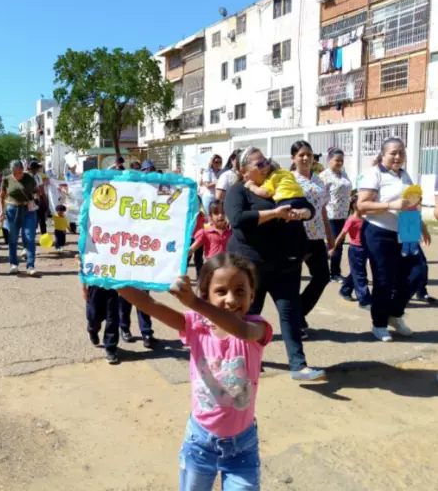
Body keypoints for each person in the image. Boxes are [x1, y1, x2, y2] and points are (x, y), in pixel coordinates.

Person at [119, 253, 271, 490]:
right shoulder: (195, 326)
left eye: (240, 291)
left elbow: (243, 331)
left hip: (243, 446)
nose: (231, 300)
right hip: (200, 443)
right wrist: (107, 276)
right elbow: (149, 304)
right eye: (221, 291)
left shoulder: (258, 328)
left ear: (252, 295)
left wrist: (195, 304)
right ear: (206, 295)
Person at [224, 147, 324, 381]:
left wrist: (302, 214)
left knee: (290, 313)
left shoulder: (279, 180)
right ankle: (247, 361)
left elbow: (306, 206)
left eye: (266, 161)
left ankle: (299, 366)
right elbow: (238, 220)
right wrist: (275, 214)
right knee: (250, 315)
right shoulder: (238, 191)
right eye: (258, 164)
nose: (265, 166)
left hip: (285, 262)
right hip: (251, 265)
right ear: (244, 171)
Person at [357, 137, 431, 342]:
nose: (398, 157)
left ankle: (395, 314)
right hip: (380, 232)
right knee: (384, 281)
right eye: (393, 153)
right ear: (383, 154)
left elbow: (411, 203)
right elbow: (361, 206)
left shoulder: (404, 174)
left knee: (417, 274)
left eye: (401, 152)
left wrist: (422, 227)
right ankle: (379, 324)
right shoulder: (374, 174)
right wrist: (390, 205)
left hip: (407, 230)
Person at [291, 141, 335, 337]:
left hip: (316, 236)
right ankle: (295, 322)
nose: (306, 158)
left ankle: (297, 313)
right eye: (301, 155)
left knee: (322, 276)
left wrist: (329, 234)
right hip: (296, 235)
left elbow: (323, 208)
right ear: (293, 158)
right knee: (293, 281)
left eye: (308, 154)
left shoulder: (319, 180)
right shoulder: (288, 179)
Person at [330, 195, 371, 309]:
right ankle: (365, 299)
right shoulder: (351, 220)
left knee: (356, 272)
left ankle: (345, 290)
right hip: (355, 250)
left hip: (365, 249)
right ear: (355, 205)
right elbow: (342, 234)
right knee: (360, 274)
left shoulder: (366, 218)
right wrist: (333, 247)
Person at [0, 160, 38, 276]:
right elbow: (1, 197)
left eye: (20, 172)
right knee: (13, 238)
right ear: (12, 171)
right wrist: (1, 211)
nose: (19, 174)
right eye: (16, 172)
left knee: (30, 237)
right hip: (12, 210)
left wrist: (35, 198)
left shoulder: (29, 178)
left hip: (28, 210)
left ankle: (30, 265)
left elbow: (36, 192)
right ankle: (13, 264)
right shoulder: (6, 179)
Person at [319, 148, 353, 283]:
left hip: (343, 214)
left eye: (342, 160)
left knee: (339, 243)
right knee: (335, 244)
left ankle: (333, 271)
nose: (339, 163)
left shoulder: (343, 174)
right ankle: (334, 273)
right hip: (330, 215)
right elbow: (321, 197)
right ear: (329, 160)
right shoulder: (324, 176)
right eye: (337, 160)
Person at [82, 282, 121, 364]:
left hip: (112, 286)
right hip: (95, 286)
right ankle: (92, 330)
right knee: (93, 316)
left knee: (112, 318)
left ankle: (111, 348)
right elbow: (82, 269)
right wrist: (84, 288)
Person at [27, 161, 48, 235]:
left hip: (38, 199)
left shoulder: (38, 177)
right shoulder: (27, 177)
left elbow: (41, 188)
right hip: (30, 200)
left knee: (42, 218)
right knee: (32, 219)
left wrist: (44, 200)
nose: (37, 170)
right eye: (36, 168)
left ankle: (44, 234)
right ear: (32, 169)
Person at [189, 197, 206, 279]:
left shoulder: (201, 214)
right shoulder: (188, 214)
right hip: (189, 238)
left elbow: (203, 225)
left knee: (198, 259)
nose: (196, 206)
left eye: (198, 204)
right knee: (186, 259)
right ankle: (181, 276)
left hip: (199, 239)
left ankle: (200, 276)